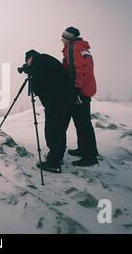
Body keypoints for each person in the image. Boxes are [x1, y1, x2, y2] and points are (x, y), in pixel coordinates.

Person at [24, 50, 75, 173]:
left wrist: (31, 72)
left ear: (30, 59)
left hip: (56, 100)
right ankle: (57, 156)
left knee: (52, 130)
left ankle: (53, 163)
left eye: (27, 62)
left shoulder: (37, 62)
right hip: (68, 98)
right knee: (60, 129)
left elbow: (38, 86)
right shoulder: (46, 59)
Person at [61, 27, 99, 166]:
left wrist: (75, 91)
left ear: (68, 38)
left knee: (83, 124)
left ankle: (89, 156)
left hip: (80, 91)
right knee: (82, 123)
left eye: (63, 37)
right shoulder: (83, 48)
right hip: (86, 89)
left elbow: (75, 70)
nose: (61, 40)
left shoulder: (72, 48)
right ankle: (85, 150)